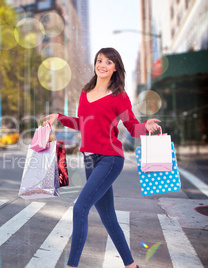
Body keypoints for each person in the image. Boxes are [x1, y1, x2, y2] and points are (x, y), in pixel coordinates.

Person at [43, 47, 160, 268]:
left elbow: (132, 126)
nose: (102, 65)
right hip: (89, 158)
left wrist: (146, 126)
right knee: (108, 218)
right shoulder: (85, 93)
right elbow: (81, 123)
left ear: (115, 67)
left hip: (110, 158)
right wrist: (59, 116)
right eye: (99, 60)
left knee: (80, 208)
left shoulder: (120, 97)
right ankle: (131, 265)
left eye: (108, 62)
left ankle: (71, 266)